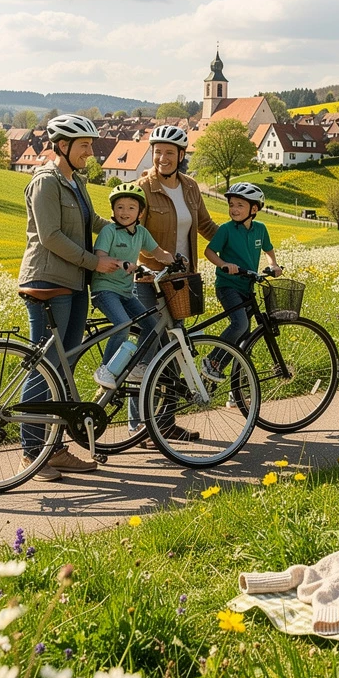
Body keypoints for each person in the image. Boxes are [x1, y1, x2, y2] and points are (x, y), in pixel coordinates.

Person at [18, 113, 123, 481]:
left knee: (64, 366)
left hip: (75, 282)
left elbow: (93, 222)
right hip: (48, 281)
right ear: (62, 146)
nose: (90, 152)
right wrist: (95, 261)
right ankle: (33, 453)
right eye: (84, 146)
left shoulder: (75, 181)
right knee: (46, 365)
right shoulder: (45, 182)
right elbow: (50, 236)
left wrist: (129, 232)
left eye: (91, 145)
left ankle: (54, 448)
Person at [129, 124, 218, 433]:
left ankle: (165, 424)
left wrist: (237, 245)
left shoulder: (190, 187)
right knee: (147, 351)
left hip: (180, 281)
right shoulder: (142, 188)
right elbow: (132, 233)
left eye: (169, 152)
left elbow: (205, 225)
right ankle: (139, 426)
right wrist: (159, 257)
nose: (162, 158)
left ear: (181, 155)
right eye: (158, 152)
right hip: (148, 281)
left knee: (175, 351)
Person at [90, 183, 176, 389]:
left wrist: (174, 260)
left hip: (126, 292)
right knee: (123, 325)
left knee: (152, 325)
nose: (125, 212)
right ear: (113, 210)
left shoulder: (141, 233)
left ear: (140, 212)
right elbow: (100, 257)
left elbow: (158, 252)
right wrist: (121, 263)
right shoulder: (109, 231)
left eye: (131, 207)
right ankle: (105, 369)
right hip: (105, 289)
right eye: (120, 207)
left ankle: (139, 366)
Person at [201, 182, 282, 380]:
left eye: (240, 205)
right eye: (231, 205)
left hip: (248, 287)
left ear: (254, 209)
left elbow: (268, 249)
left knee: (245, 337)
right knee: (239, 324)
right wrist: (223, 264)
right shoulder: (226, 230)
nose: (234, 209)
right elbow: (209, 251)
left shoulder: (260, 229)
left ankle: (237, 384)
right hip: (228, 286)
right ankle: (212, 362)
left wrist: (273, 264)